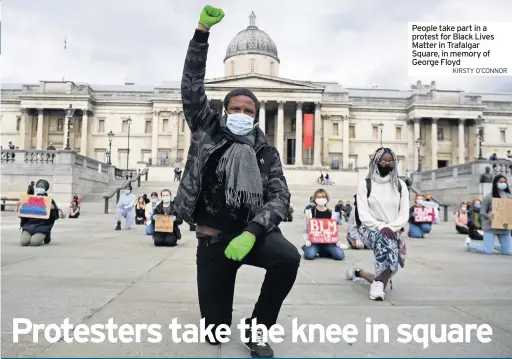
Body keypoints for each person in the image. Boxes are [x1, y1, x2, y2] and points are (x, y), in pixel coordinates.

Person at [173, 7, 300, 357]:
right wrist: (201, 33)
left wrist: (253, 232)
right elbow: (192, 85)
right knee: (215, 334)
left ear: (257, 116)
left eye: (249, 110)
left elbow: (280, 198)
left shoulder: (266, 151)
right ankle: (220, 315)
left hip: (250, 236)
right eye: (236, 107)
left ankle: (258, 328)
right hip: (214, 240)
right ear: (224, 109)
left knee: (288, 258)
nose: (242, 113)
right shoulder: (206, 130)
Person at [346, 147, 409, 301]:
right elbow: (363, 214)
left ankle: (360, 274)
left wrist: (390, 227)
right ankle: (378, 284)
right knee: (385, 243)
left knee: (392, 262)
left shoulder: (401, 186)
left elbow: (404, 214)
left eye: (390, 161)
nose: (387, 164)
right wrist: (381, 227)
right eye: (383, 161)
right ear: (375, 162)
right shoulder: (365, 184)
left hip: (394, 230)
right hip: (369, 229)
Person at [465, 175, 512, 255]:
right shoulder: (489, 197)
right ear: (495, 183)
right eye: (501, 182)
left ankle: (492, 245)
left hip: (504, 227)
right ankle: (469, 245)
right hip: (491, 226)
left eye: (504, 182)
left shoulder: (509, 196)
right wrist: (491, 216)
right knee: (487, 251)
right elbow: (482, 212)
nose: (503, 183)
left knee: (508, 252)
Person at [302, 189, 345, 261]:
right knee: (309, 255)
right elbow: (305, 230)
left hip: (329, 243)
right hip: (314, 242)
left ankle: (325, 251)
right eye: (318, 197)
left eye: (323, 197)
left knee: (340, 255)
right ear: (315, 199)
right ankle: (308, 248)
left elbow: (334, 231)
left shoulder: (333, 214)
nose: (321, 199)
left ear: (326, 198)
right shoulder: (309, 213)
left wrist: (337, 241)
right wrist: (307, 240)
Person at [20, 179, 60, 246]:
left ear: (45, 189)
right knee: (24, 242)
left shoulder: (49, 200)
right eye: (38, 187)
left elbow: (55, 216)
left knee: (34, 242)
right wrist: (20, 206)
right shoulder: (31, 198)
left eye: (42, 187)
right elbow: (23, 214)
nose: (40, 188)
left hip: (42, 226)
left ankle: (46, 235)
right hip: (29, 225)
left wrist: (52, 209)